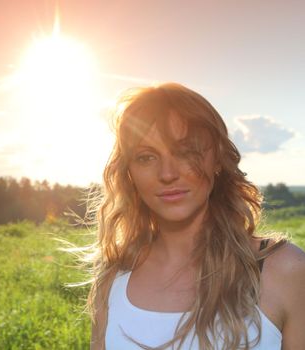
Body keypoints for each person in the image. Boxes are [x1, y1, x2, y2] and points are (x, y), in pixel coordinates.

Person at [87, 83, 305, 349]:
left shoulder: (285, 270)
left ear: (218, 160)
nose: (167, 173)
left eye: (186, 151)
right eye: (146, 157)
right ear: (129, 173)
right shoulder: (113, 280)